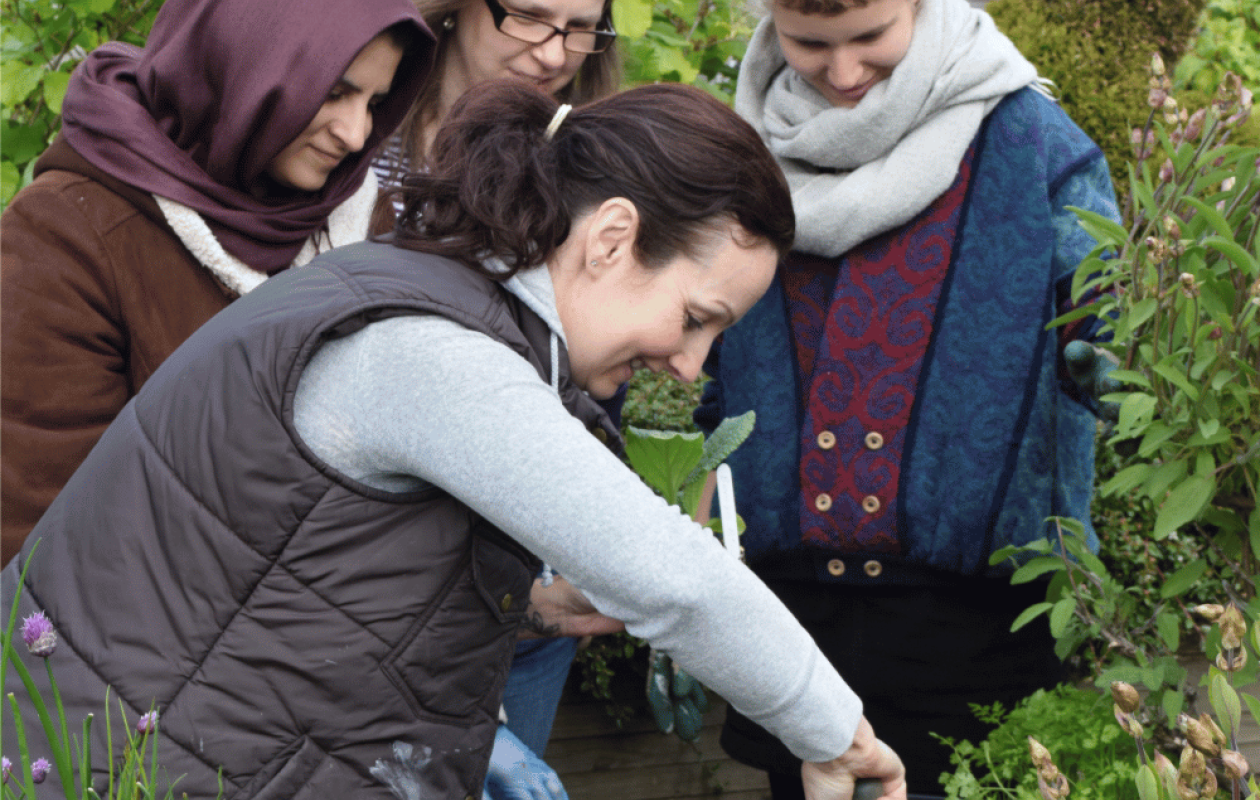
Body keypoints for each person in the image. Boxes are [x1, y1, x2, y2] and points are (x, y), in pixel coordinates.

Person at [2, 80, 907, 800]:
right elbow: (677, 578)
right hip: (119, 768)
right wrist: (834, 737)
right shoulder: (432, 354)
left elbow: (307, 563)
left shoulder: (427, 297)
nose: (690, 365)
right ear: (612, 238)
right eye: (697, 317)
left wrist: (538, 603)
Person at [687, 0, 1124, 796]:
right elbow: (705, 367)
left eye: (870, 39)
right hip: (789, 624)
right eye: (809, 43)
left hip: (973, 626)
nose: (844, 73)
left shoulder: (1038, 151)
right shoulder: (734, 154)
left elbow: (1113, 357)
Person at [0, 0, 434, 564]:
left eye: (375, 103)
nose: (356, 135)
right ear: (243, 61)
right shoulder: (67, 235)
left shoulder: (355, 220)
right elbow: (40, 528)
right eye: (332, 92)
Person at [371, 0, 620, 786]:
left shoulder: (591, 163)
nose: (555, 52)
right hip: (381, 600)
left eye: (582, 28)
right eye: (529, 17)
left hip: (527, 608)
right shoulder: (364, 142)